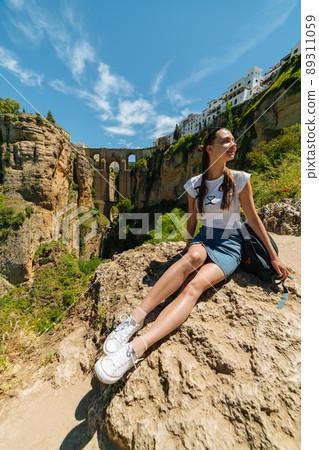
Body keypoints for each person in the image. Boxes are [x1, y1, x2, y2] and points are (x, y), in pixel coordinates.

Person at [94, 127, 289, 384]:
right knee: (193, 257)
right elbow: (192, 217)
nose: (233, 144)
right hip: (204, 238)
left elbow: (252, 219)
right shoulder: (195, 184)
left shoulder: (241, 179)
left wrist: (273, 255)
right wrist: (188, 243)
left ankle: (135, 349)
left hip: (231, 245)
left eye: (233, 140)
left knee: (194, 286)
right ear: (210, 148)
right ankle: (133, 320)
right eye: (226, 141)